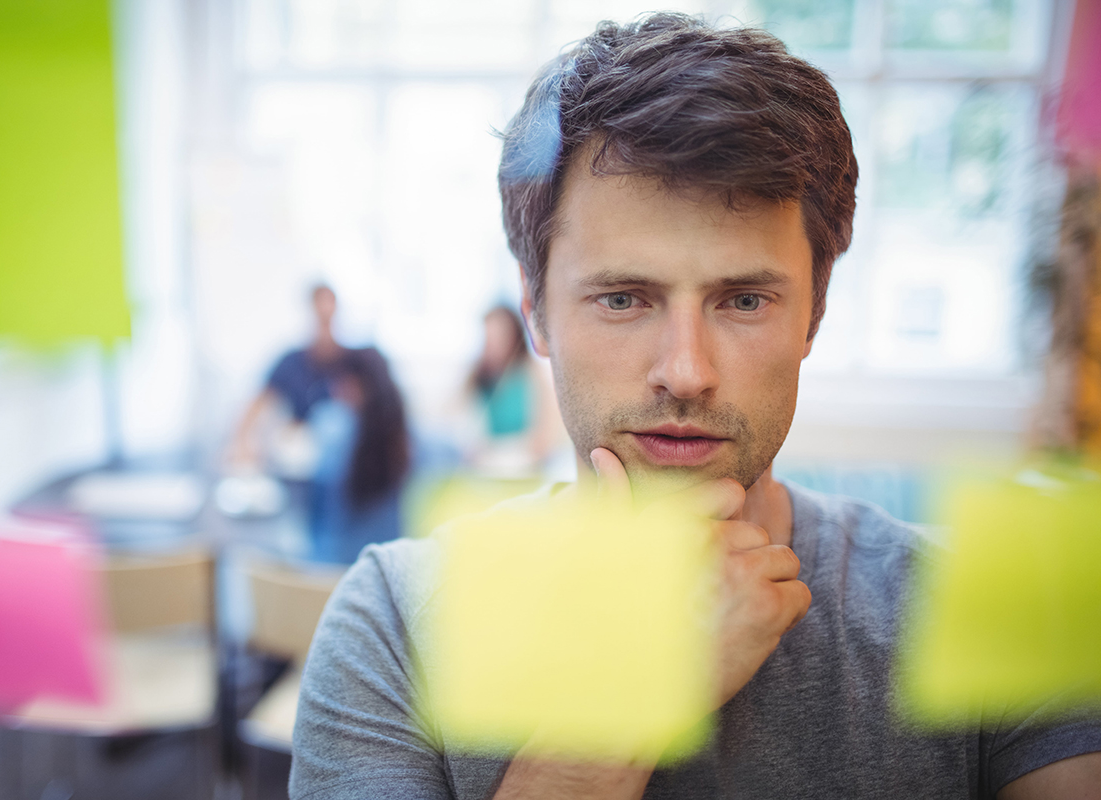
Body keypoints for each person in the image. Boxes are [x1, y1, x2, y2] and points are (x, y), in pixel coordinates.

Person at [289, 13, 1101, 800]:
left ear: (814, 312)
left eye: (743, 301)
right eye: (622, 299)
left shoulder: (979, 602)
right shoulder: (392, 622)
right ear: (535, 310)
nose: (685, 372)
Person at [227, 283, 347, 471]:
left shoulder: (353, 362)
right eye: (319, 315)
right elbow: (256, 404)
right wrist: (242, 441)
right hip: (302, 457)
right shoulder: (291, 362)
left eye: (328, 317)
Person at [307, 347, 411, 564]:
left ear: (351, 384)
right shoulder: (414, 442)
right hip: (390, 571)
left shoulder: (331, 428)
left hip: (329, 574)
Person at [461, 305, 563, 477]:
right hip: (482, 471)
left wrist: (498, 452)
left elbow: (543, 439)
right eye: (488, 336)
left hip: (523, 471)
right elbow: (462, 425)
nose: (493, 344)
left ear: (514, 336)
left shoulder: (532, 374)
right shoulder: (477, 377)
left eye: (499, 336)